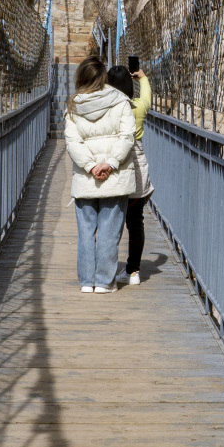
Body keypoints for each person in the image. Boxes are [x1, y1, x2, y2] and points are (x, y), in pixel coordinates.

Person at [65, 55, 139, 293]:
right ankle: (105, 282)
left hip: (87, 180)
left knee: (86, 232)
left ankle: (87, 282)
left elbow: (72, 141)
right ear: (104, 77)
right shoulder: (121, 101)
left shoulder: (73, 105)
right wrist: (111, 163)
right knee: (109, 229)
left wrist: (90, 166)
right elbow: (127, 136)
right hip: (115, 177)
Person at [107, 60, 154, 285]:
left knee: (110, 219)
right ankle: (133, 271)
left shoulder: (106, 110)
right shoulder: (138, 108)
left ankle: (105, 270)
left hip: (114, 166)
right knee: (135, 221)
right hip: (137, 168)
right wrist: (142, 78)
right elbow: (146, 97)